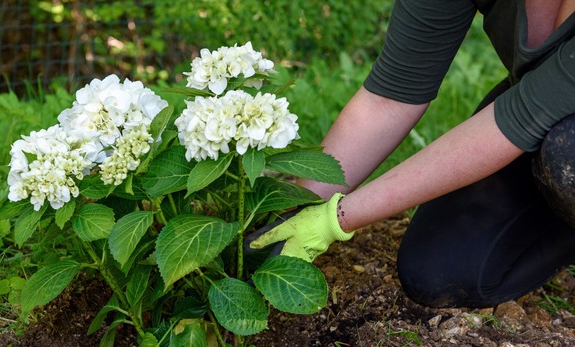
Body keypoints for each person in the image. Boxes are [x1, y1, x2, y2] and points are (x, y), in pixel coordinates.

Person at [246, 0, 575, 308]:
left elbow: (516, 122)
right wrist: (292, 205)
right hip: (540, 117)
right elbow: (390, 97)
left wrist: (335, 219)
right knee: (438, 269)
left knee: (567, 155)